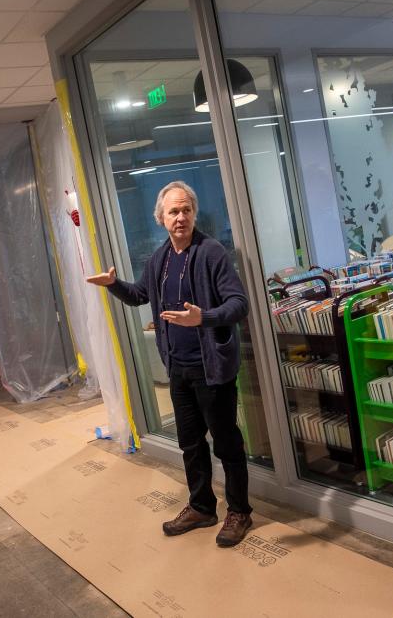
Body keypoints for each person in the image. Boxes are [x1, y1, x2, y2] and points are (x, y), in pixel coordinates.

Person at [86, 180, 253, 547]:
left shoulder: (212, 253)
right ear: (161, 218)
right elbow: (140, 295)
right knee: (190, 443)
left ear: (193, 214)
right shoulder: (160, 259)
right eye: (173, 212)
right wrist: (113, 284)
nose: (181, 217)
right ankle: (202, 507)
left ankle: (239, 511)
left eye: (186, 210)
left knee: (226, 443)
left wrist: (203, 318)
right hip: (178, 369)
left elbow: (239, 304)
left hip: (212, 369)